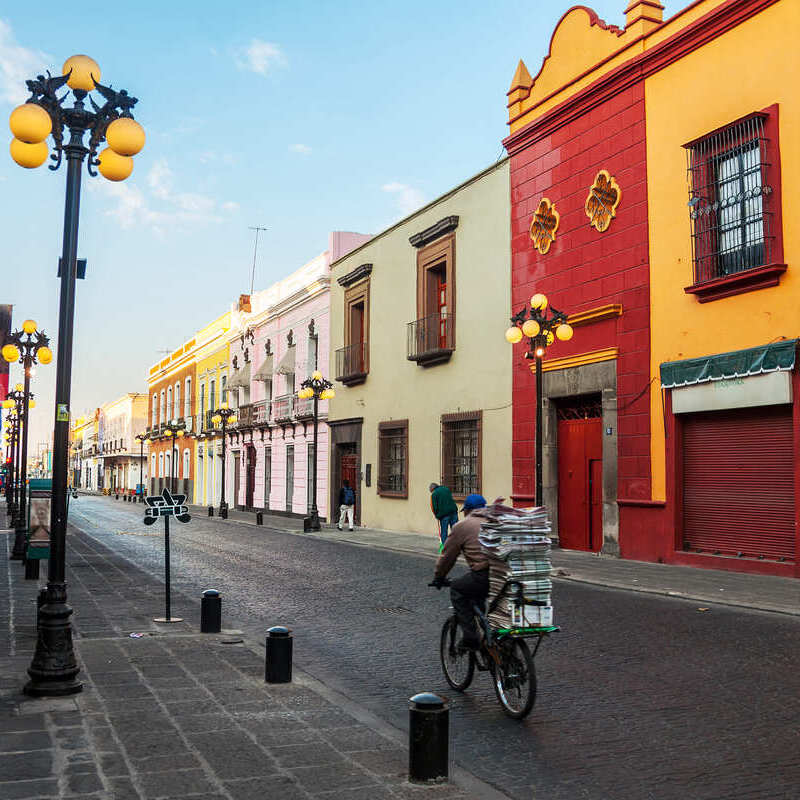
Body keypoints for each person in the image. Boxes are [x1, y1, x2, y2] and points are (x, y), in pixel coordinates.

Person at [431, 493, 489, 649]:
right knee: (484, 600)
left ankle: (471, 637)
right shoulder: (497, 521)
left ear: (468, 510)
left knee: (457, 589)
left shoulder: (463, 527)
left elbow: (447, 556)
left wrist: (439, 576)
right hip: (505, 576)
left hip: (483, 575)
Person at [429, 482, 459, 547]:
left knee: (444, 532)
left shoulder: (434, 494)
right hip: (453, 512)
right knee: (455, 530)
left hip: (444, 515)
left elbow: (434, 507)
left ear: (432, 489)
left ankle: (445, 547)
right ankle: (457, 546)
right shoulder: (446, 489)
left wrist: (437, 515)